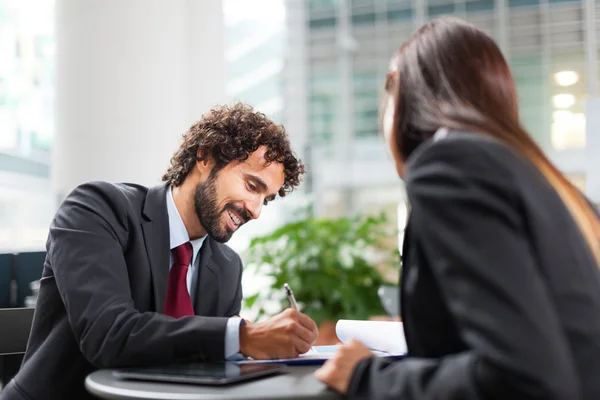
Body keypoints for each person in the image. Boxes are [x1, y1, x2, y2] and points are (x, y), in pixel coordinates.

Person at [315, 16, 600, 400]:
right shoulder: (555, 188)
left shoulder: (450, 164)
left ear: (402, 87)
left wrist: (366, 376)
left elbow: (521, 378)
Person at [3, 103, 318, 400]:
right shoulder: (96, 209)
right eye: (252, 186)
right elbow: (108, 334)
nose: (256, 211)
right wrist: (244, 335)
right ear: (205, 156)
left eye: (267, 198)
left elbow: (209, 369)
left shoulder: (226, 266)